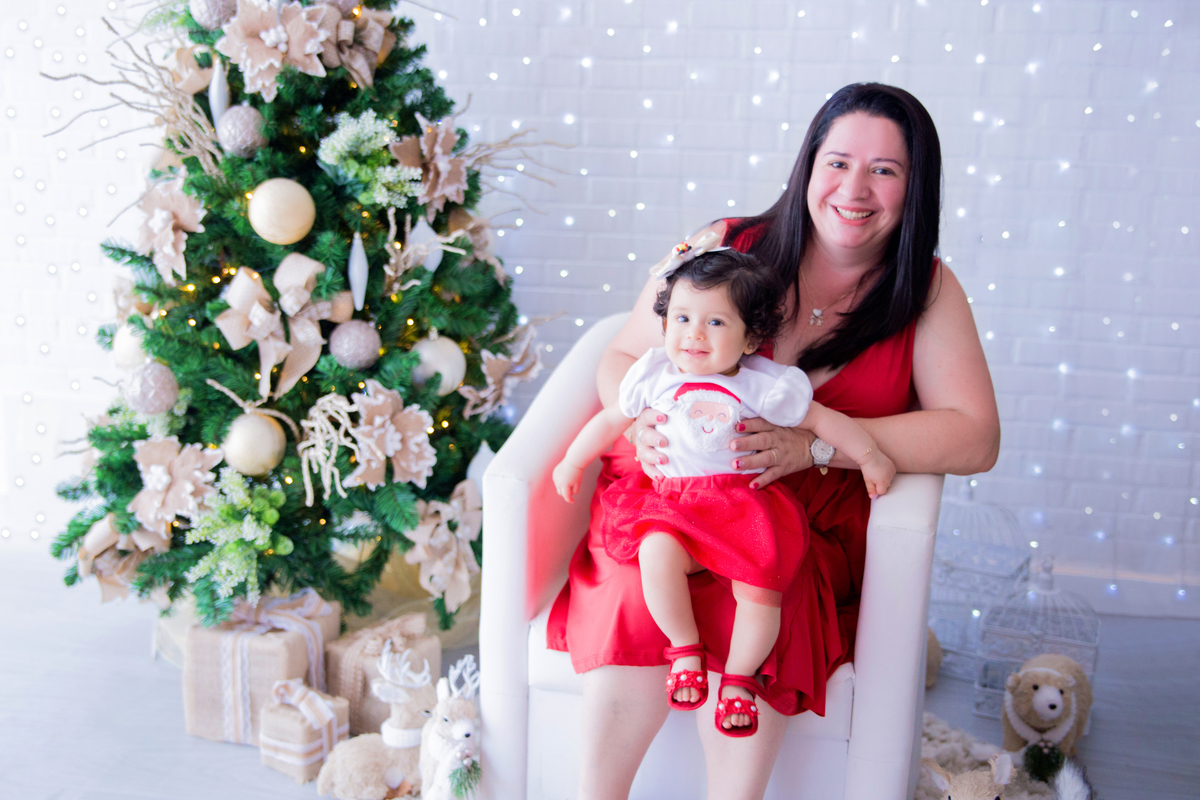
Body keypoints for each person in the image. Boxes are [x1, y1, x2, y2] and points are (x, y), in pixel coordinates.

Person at [545, 82, 1001, 800]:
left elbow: (974, 437)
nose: (855, 188)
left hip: (797, 524)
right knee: (638, 578)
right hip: (676, 494)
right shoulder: (723, 246)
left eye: (885, 170)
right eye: (839, 161)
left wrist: (817, 446)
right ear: (808, 166)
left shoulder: (929, 292)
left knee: (767, 597)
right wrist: (638, 423)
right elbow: (620, 357)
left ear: (915, 188)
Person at [552, 246, 895, 738]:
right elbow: (611, 420)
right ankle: (684, 646)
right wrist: (572, 460)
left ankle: (739, 677)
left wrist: (869, 456)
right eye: (682, 317)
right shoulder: (653, 376)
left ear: (751, 337)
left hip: (742, 510)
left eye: (715, 323)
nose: (693, 333)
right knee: (655, 552)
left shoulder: (764, 385)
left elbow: (826, 421)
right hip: (675, 506)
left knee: (762, 592)